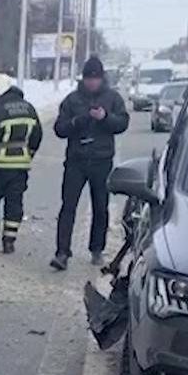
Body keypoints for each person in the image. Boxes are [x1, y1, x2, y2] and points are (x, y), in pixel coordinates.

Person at [49, 55, 130, 271]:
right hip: (76, 160)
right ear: (83, 79)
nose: (92, 82)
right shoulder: (72, 100)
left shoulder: (112, 98)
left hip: (101, 161)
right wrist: (77, 121)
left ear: (101, 78)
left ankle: (96, 249)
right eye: (88, 78)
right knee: (68, 206)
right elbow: (59, 129)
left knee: (100, 207)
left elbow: (122, 123)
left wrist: (105, 117)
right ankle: (62, 252)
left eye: (95, 78)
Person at [0, 71, 42, 253]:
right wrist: (29, 154)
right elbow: (37, 135)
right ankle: (9, 240)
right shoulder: (29, 108)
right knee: (14, 202)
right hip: (20, 167)